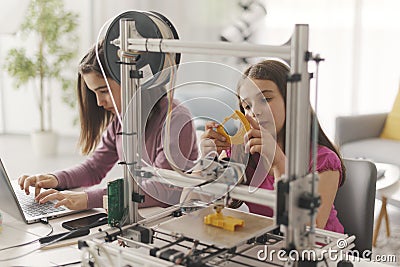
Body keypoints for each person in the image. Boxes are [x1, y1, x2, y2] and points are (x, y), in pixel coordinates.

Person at [18, 41, 198, 210]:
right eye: (94, 93)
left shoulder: (176, 119)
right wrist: (54, 179)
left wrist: (89, 199)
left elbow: (162, 190)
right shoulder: (121, 120)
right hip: (144, 214)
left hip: (173, 219)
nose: (98, 102)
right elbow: (94, 168)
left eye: (103, 91)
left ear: (133, 80)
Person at [200, 59, 345, 233]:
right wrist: (207, 161)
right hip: (266, 247)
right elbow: (198, 203)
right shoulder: (241, 154)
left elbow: (308, 229)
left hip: (318, 251)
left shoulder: (324, 161)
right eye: (247, 106)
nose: (255, 111)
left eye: (265, 99)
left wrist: (278, 162)